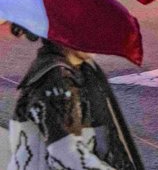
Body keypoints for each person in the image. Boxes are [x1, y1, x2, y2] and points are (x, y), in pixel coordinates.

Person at [7, 25, 144, 170]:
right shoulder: (55, 78)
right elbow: (66, 156)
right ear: (63, 34)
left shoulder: (85, 70)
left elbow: (108, 141)